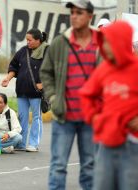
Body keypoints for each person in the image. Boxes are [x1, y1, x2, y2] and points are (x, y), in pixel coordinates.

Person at [79, 20, 138, 190]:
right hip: (106, 143)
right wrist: (94, 117)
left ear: (121, 43)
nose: (106, 47)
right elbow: (86, 95)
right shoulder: (104, 69)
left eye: (110, 43)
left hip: (134, 144)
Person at [39, 0, 98, 189]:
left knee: (90, 166)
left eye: (79, 12)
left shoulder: (101, 43)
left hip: (91, 117)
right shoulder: (60, 43)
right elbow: (45, 72)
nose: (74, 16)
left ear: (90, 16)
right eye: (72, 12)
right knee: (58, 166)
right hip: (64, 116)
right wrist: (54, 98)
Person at [1, 29, 48, 152]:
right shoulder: (23, 51)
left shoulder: (47, 51)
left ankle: (33, 143)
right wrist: (8, 78)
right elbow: (14, 66)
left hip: (36, 93)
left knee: (37, 117)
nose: (27, 42)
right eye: (26, 40)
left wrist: (44, 84)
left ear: (38, 40)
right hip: (22, 90)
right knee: (22, 117)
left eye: (30, 40)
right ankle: (20, 143)